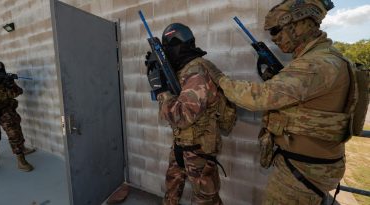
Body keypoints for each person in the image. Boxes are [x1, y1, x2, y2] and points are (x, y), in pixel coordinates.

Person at [205, 0, 357, 204]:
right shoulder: (325, 58)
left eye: (277, 30)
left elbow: (259, 97)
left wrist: (219, 78)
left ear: (300, 23)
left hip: (304, 171)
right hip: (310, 165)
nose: (274, 38)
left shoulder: (315, 64)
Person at [145, 23, 229, 205]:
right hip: (181, 142)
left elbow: (182, 116)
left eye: (169, 48)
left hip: (199, 148)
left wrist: (161, 91)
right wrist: (159, 72)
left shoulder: (196, 71)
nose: (168, 52)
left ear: (181, 45)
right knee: (172, 186)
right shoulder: (183, 69)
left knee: (205, 198)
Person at [0, 55, 34, 174]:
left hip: (4, 108)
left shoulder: (2, 77)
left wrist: (9, 84)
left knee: (14, 131)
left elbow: (17, 92)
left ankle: (21, 159)